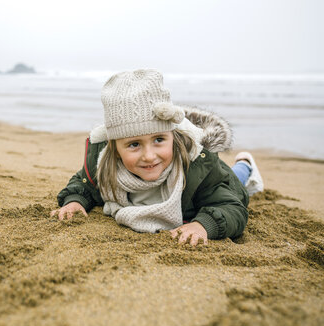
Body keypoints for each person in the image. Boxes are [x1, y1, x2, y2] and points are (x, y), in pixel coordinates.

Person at [50, 69, 264, 246]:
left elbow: (231, 208)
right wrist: (75, 201)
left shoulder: (197, 168)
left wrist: (203, 224)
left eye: (159, 139)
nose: (149, 156)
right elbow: (84, 184)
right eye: (134, 144)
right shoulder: (104, 164)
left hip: (223, 181)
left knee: (238, 180)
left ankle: (245, 164)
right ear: (114, 149)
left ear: (173, 136)